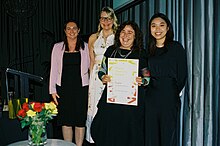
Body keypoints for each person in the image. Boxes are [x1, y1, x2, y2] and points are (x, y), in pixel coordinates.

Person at [91, 21, 148, 146]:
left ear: (135, 36)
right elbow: (101, 70)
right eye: (123, 31)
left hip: (130, 104)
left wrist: (142, 81)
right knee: (108, 130)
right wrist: (103, 77)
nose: (125, 35)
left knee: (129, 134)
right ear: (118, 34)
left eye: (130, 32)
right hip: (112, 100)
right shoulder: (111, 50)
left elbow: (147, 76)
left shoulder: (141, 53)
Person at [145, 13, 187, 146]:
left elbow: (182, 75)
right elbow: (145, 72)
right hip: (150, 97)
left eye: (161, 25)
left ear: (168, 28)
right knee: (151, 136)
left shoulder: (176, 47)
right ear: (150, 29)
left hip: (169, 97)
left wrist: (171, 91)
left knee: (168, 136)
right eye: (153, 26)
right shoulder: (147, 51)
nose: (157, 29)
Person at [49, 19, 90, 146]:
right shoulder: (57, 47)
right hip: (63, 89)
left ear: (78, 31)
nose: (71, 31)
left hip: (81, 88)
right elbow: (53, 70)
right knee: (66, 120)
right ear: (65, 31)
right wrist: (52, 90)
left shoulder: (87, 47)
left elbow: (92, 68)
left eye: (74, 28)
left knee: (79, 120)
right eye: (68, 28)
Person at [85, 6, 118, 144]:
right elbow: (91, 61)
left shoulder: (118, 36)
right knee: (93, 106)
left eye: (109, 18)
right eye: (103, 18)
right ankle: (92, 138)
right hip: (95, 76)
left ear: (113, 20)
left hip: (111, 75)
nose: (106, 21)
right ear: (99, 20)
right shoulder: (93, 37)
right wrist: (89, 82)